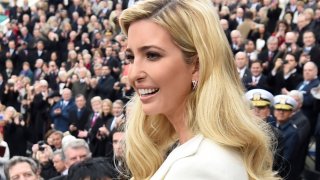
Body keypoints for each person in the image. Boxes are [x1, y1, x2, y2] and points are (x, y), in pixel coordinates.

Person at [119, 0, 277, 179]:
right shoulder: (200, 153)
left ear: (197, 66)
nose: (133, 75)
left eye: (152, 55)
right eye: (131, 57)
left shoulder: (196, 168)